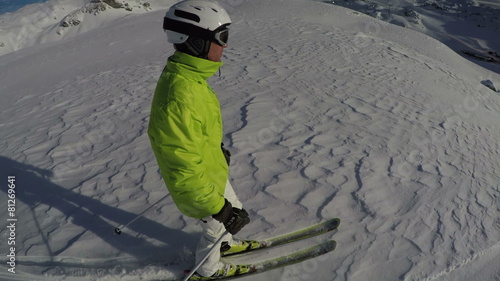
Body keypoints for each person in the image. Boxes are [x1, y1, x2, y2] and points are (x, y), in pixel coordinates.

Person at [147, 0, 254, 278]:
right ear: (196, 42)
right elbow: (183, 167)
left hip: (211, 170)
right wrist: (217, 209)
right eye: (222, 37)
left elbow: (197, 134)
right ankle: (207, 270)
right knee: (217, 224)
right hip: (198, 185)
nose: (226, 45)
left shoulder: (189, 79)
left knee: (236, 209)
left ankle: (226, 246)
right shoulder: (179, 96)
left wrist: (216, 151)